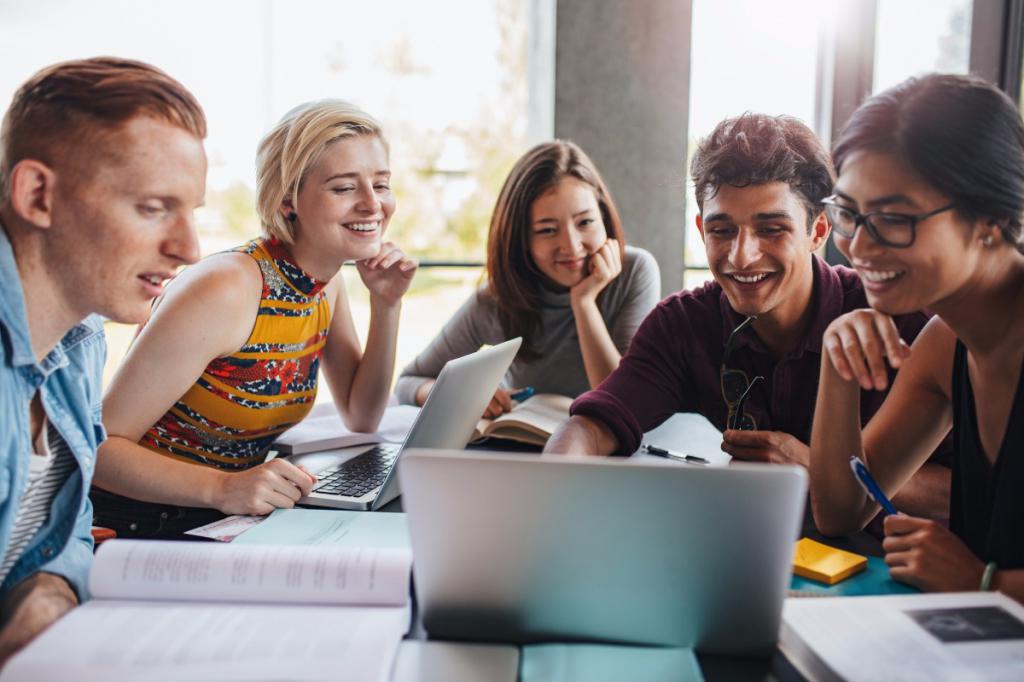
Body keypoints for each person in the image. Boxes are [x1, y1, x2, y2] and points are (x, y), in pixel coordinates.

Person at [545, 113, 950, 520]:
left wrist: (812, 467)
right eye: (722, 231)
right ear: (702, 229)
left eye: (771, 229)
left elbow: (968, 494)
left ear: (818, 231)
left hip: (885, 563)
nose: (742, 256)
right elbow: (590, 427)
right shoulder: (682, 323)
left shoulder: (903, 320)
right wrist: (550, 497)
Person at [90, 100, 417, 537]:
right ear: (288, 201)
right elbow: (99, 449)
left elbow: (362, 415)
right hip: (140, 523)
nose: (371, 204)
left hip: (224, 517)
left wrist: (387, 304)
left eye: (381, 184)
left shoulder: (325, 281)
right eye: (343, 188)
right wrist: (225, 487)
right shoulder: (226, 287)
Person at [0, 57, 206, 664]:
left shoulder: (80, 337)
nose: (189, 249)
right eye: (151, 207)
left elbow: (64, 531)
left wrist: (51, 587)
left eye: (190, 210)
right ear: (38, 195)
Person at [808, 74, 1024, 601]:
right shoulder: (944, 344)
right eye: (849, 214)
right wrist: (837, 366)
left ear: (991, 219)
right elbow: (839, 512)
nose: (857, 246)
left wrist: (982, 583)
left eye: (891, 219)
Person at [395, 140, 660, 417]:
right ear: (521, 239)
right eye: (547, 230)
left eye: (585, 222)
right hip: (524, 449)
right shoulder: (498, 299)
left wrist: (583, 302)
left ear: (603, 216)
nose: (571, 246)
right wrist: (463, 396)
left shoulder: (635, 271)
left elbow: (621, 400)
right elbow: (407, 383)